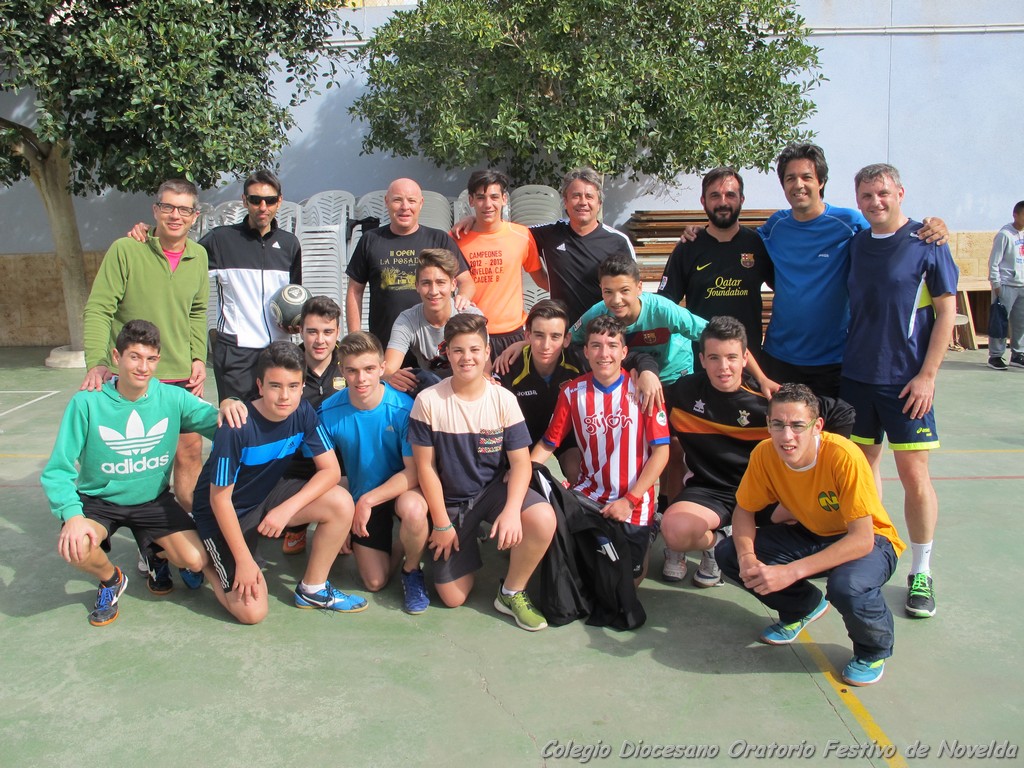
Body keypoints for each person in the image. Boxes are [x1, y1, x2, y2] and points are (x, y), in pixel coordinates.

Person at [41, 320, 244, 626]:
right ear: (116, 356)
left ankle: (155, 554)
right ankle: (111, 580)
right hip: (99, 501)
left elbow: (219, 423)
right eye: (134, 357)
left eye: (151, 359)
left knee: (196, 559)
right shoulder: (87, 402)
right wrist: (71, 515)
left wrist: (231, 401)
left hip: (153, 501)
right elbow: (58, 469)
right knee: (76, 547)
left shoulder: (171, 398)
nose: (143, 367)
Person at [716, 383, 906, 687]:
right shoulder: (764, 453)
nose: (786, 436)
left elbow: (862, 539)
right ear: (768, 424)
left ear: (817, 426)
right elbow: (744, 511)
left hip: (871, 541)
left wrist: (790, 572)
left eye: (797, 425)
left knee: (846, 586)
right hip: (812, 532)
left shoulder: (843, 455)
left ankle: (872, 650)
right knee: (729, 553)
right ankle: (803, 607)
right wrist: (748, 557)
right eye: (777, 424)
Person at [841, 163, 959, 619]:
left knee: (914, 476)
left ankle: (922, 571)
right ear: (858, 200)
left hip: (907, 382)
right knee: (863, 468)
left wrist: (928, 376)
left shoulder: (928, 243)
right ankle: (871, 549)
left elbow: (946, 315)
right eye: (867, 195)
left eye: (883, 193)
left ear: (900, 193)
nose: (876, 202)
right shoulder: (857, 243)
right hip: (858, 377)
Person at [661, 316, 854, 587]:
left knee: (815, 517)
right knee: (675, 531)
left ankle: (748, 545)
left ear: (745, 358)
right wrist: (645, 371)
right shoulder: (684, 393)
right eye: (714, 358)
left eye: (731, 357)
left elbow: (841, 412)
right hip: (711, 489)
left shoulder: (770, 397)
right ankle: (718, 544)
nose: (723, 367)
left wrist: (819, 467)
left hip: (767, 491)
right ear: (702, 359)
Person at [192, 341, 366, 624]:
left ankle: (313, 589)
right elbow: (219, 500)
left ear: (301, 386)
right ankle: (205, 563)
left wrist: (287, 510)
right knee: (252, 612)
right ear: (260, 386)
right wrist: (244, 562)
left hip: (266, 494)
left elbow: (331, 471)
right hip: (223, 514)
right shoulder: (237, 427)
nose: (285, 396)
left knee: (340, 502)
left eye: (293, 386)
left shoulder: (302, 412)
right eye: (275, 386)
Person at [756, 144, 946, 397]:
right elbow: (740, 244)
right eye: (790, 178)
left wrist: (936, 225)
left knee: (832, 425)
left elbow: (890, 230)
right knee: (783, 423)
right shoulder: (775, 226)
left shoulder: (849, 223)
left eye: (807, 177)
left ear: (821, 182)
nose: (798, 184)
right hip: (779, 356)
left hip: (835, 360)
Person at [409, 314, 556, 631]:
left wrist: (512, 511)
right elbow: (426, 468)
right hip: (452, 501)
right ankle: (465, 544)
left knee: (543, 517)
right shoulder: (427, 401)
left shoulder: (503, 399)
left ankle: (511, 592)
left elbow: (521, 463)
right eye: (458, 350)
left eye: (475, 349)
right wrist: (441, 522)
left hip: (492, 492)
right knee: (452, 597)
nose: (467, 358)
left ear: (487, 351)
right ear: (447, 353)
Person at [83, 179, 209, 514]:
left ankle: (193, 523)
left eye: (184, 209)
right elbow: (99, 308)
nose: (175, 215)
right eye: (168, 207)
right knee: (136, 460)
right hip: (134, 376)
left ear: (194, 216)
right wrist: (97, 361)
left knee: (189, 453)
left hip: (180, 378)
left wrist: (198, 357)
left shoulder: (199, 256)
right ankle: (134, 528)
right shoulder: (126, 250)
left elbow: (197, 311)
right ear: (155, 210)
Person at [531, 315, 671, 585]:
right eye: (595, 345)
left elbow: (661, 453)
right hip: (588, 497)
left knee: (626, 584)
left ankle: (648, 529)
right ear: (586, 351)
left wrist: (629, 501)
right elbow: (549, 443)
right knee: (583, 576)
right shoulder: (572, 392)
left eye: (612, 345)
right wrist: (521, 473)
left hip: (634, 502)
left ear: (624, 352)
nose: (604, 354)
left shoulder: (644, 390)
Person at [319, 332, 431, 614]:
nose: (361, 379)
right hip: (360, 492)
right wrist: (340, 519)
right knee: (374, 582)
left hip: (401, 489)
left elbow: (413, 472)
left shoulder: (404, 409)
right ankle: (402, 543)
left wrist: (367, 501)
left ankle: (411, 570)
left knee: (414, 511)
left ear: (382, 368)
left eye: (369, 369)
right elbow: (330, 473)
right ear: (341, 370)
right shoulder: (328, 413)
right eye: (352, 371)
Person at [657, 166, 773, 356]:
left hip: (748, 360)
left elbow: (785, 290)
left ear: (742, 199)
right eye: (715, 196)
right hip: (701, 361)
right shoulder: (687, 248)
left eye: (730, 195)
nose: (723, 202)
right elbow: (664, 304)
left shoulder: (758, 245)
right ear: (703, 201)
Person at [345, 178, 475, 348]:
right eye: (397, 200)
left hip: (435, 347)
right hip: (386, 343)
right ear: (386, 202)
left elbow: (466, 282)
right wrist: (356, 338)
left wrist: (462, 298)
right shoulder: (370, 240)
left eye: (411, 200)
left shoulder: (439, 239)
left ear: (421, 203)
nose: (405, 207)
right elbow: (354, 291)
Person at [278, 295, 348, 556]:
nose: (320, 340)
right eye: (312, 332)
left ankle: (343, 522)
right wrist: (231, 401)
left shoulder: (348, 364)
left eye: (328, 332)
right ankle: (297, 524)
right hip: (295, 465)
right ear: (300, 331)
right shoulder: (285, 365)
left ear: (338, 332)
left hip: (340, 465)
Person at [455, 169, 549, 359]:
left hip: (513, 335)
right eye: (480, 198)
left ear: (504, 199)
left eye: (494, 197)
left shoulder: (521, 235)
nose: (488, 204)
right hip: (472, 333)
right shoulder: (455, 238)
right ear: (471, 201)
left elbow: (542, 279)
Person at [498, 299, 583, 484]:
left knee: (578, 474)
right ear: (527, 335)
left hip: (565, 435)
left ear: (566, 339)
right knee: (515, 482)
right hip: (522, 439)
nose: (546, 345)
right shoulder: (508, 366)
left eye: (555, 336)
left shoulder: (579, 363)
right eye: (539, 335)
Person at [383, 249, 484, 394]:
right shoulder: (407, 320)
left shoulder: (471, 315)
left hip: (468, 390)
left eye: (441, 282)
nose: (433, 291)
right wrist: (392, 377)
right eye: (426, 283)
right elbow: (388, 370)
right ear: (417, 286)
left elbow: (484, 369)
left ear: (453, 284)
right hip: (430, 392)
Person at [987, 200, 1024, 370]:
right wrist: (996, 284)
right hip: (1006, 285)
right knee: (1000, 320)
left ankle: (1018, 354)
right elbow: (994, 262)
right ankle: (995, 356)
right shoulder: (1005, 235)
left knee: (1020, 323)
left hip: (1022, 286)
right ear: (1015, 215)